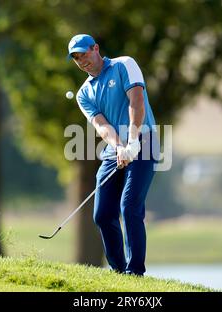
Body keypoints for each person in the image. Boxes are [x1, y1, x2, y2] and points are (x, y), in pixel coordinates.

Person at [67, 34, 159, 276]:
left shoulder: (124, 64)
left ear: (95, 48)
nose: (81, 61)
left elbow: (136, 101)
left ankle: (134, 271)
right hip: (114, 149)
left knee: (129, 206)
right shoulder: (83, 93)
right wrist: (120, 147)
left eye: (83, 54)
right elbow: (102, 126)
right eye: (76, 58)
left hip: (145, 141)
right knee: (103, 213)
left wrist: (133, 140)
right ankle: (118, 271)